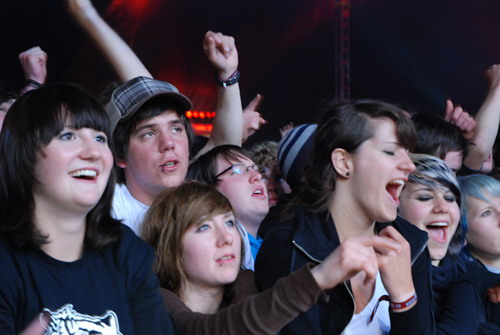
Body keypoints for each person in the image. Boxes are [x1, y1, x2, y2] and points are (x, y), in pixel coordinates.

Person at [0, 83, 175, 334]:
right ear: (24, 154)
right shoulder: (6, 264)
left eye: (100, 138)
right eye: (68, 136)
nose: (93, 152)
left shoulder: (126, 252)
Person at [255, 99, 434, 334]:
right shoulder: (289, 247)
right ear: (343, 162)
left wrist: (404, 299)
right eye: (391, 151)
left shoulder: (409, 244)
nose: (410, 165)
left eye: (408, 153)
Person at [140, 181, 407, 335]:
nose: (226, 238)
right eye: (203, 227)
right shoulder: (153, 301)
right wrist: (317, 278)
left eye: (230, 223)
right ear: (169, 245)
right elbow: (203, 331)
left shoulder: (250, 283)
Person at [188, 145, 269, 268]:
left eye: (257, 170)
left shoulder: (272, 245)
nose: (257, 176)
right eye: (238, 170)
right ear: (208, 192)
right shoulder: (218, 256)